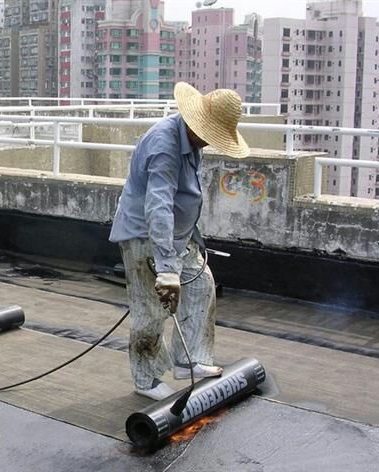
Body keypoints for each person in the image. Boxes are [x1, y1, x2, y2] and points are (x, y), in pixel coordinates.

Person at [109, 82, 250, 401]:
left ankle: (190, 360)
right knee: (151, 309)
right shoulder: (164, 145)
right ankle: (145, 379)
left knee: (201, 286)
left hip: (177, 236)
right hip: (146, 236)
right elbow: (158, 207)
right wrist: (166, 269)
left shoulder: (190, 141)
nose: (210, 142)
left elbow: (183, 199)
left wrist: (191, 238)